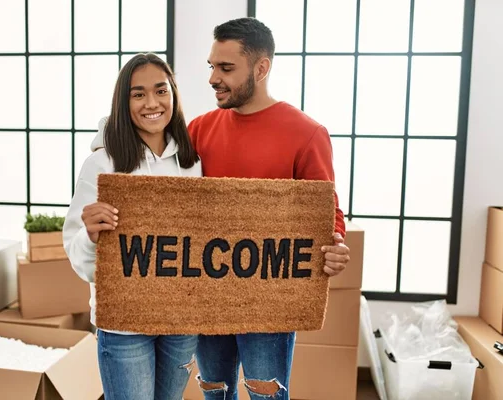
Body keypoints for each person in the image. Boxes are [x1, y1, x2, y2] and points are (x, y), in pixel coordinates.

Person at [187, 18, 351, 399]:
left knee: (266, 394)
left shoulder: (306, 133)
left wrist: (335, 241)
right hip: (207, 290)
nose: (214, 78)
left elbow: (326, 209)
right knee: (214, 390)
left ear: (261, 68)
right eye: (212, 66)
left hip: (269, 295)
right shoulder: (197, 130)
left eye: (226, 68)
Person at [63, 53, 202, 400]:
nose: (151, 103)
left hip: (180, 320)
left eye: (160, 91)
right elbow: (78, 259)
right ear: (123, 102)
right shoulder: (101, 163)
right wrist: (91, 235)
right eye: (138, 94)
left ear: (173, 94)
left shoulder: (193, 162)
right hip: (124, 324)